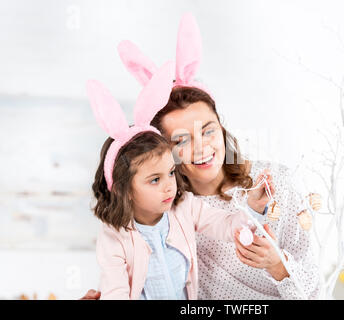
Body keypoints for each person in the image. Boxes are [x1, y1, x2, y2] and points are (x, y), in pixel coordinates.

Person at [81, 12, 320, 300]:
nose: (201, 148)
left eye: (207, 131)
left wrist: (277, 266)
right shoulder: (166, 207)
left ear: (221, 127)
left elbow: (316, 290)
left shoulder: (273, 183)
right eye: (181, 140)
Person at [85, 62, 273, 300]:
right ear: (126, 190)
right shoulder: (115, 237)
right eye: (154, 180)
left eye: (171, 173)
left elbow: (227, 225)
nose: (169, 186)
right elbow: (116, 291)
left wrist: (253, 207)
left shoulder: (184, 207)